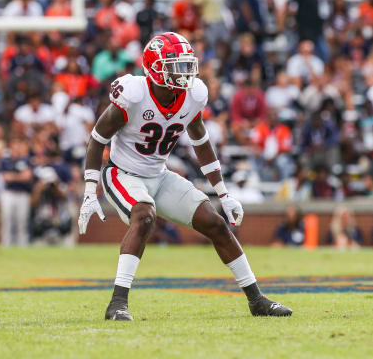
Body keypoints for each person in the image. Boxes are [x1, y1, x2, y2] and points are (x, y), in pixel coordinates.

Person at [78, 32, 292, 321]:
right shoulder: (134, 94)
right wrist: (91, 190)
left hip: (159, 174)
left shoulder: (193, 96)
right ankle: (117, 303)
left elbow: (201, 142)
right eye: (176, 65)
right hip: (122, 173)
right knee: (145, 215)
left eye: (186, 65)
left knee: (216, 223)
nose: (184, 73)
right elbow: (97, 139)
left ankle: (257, 300)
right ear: (154, 68)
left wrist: (224, 194)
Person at [0, 136, 33, 246]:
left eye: (19, 146)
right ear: (11, 147)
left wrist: (13, 177)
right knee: (7, 221)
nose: (17, 148)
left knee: (22, 222)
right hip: (9, 194)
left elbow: (28, 176)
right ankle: (6, 245)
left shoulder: (26, 160)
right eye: (15, 146)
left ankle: (22, 246)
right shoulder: (6, 160)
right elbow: (5, 177)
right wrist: (20, 177)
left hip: (22, 194)